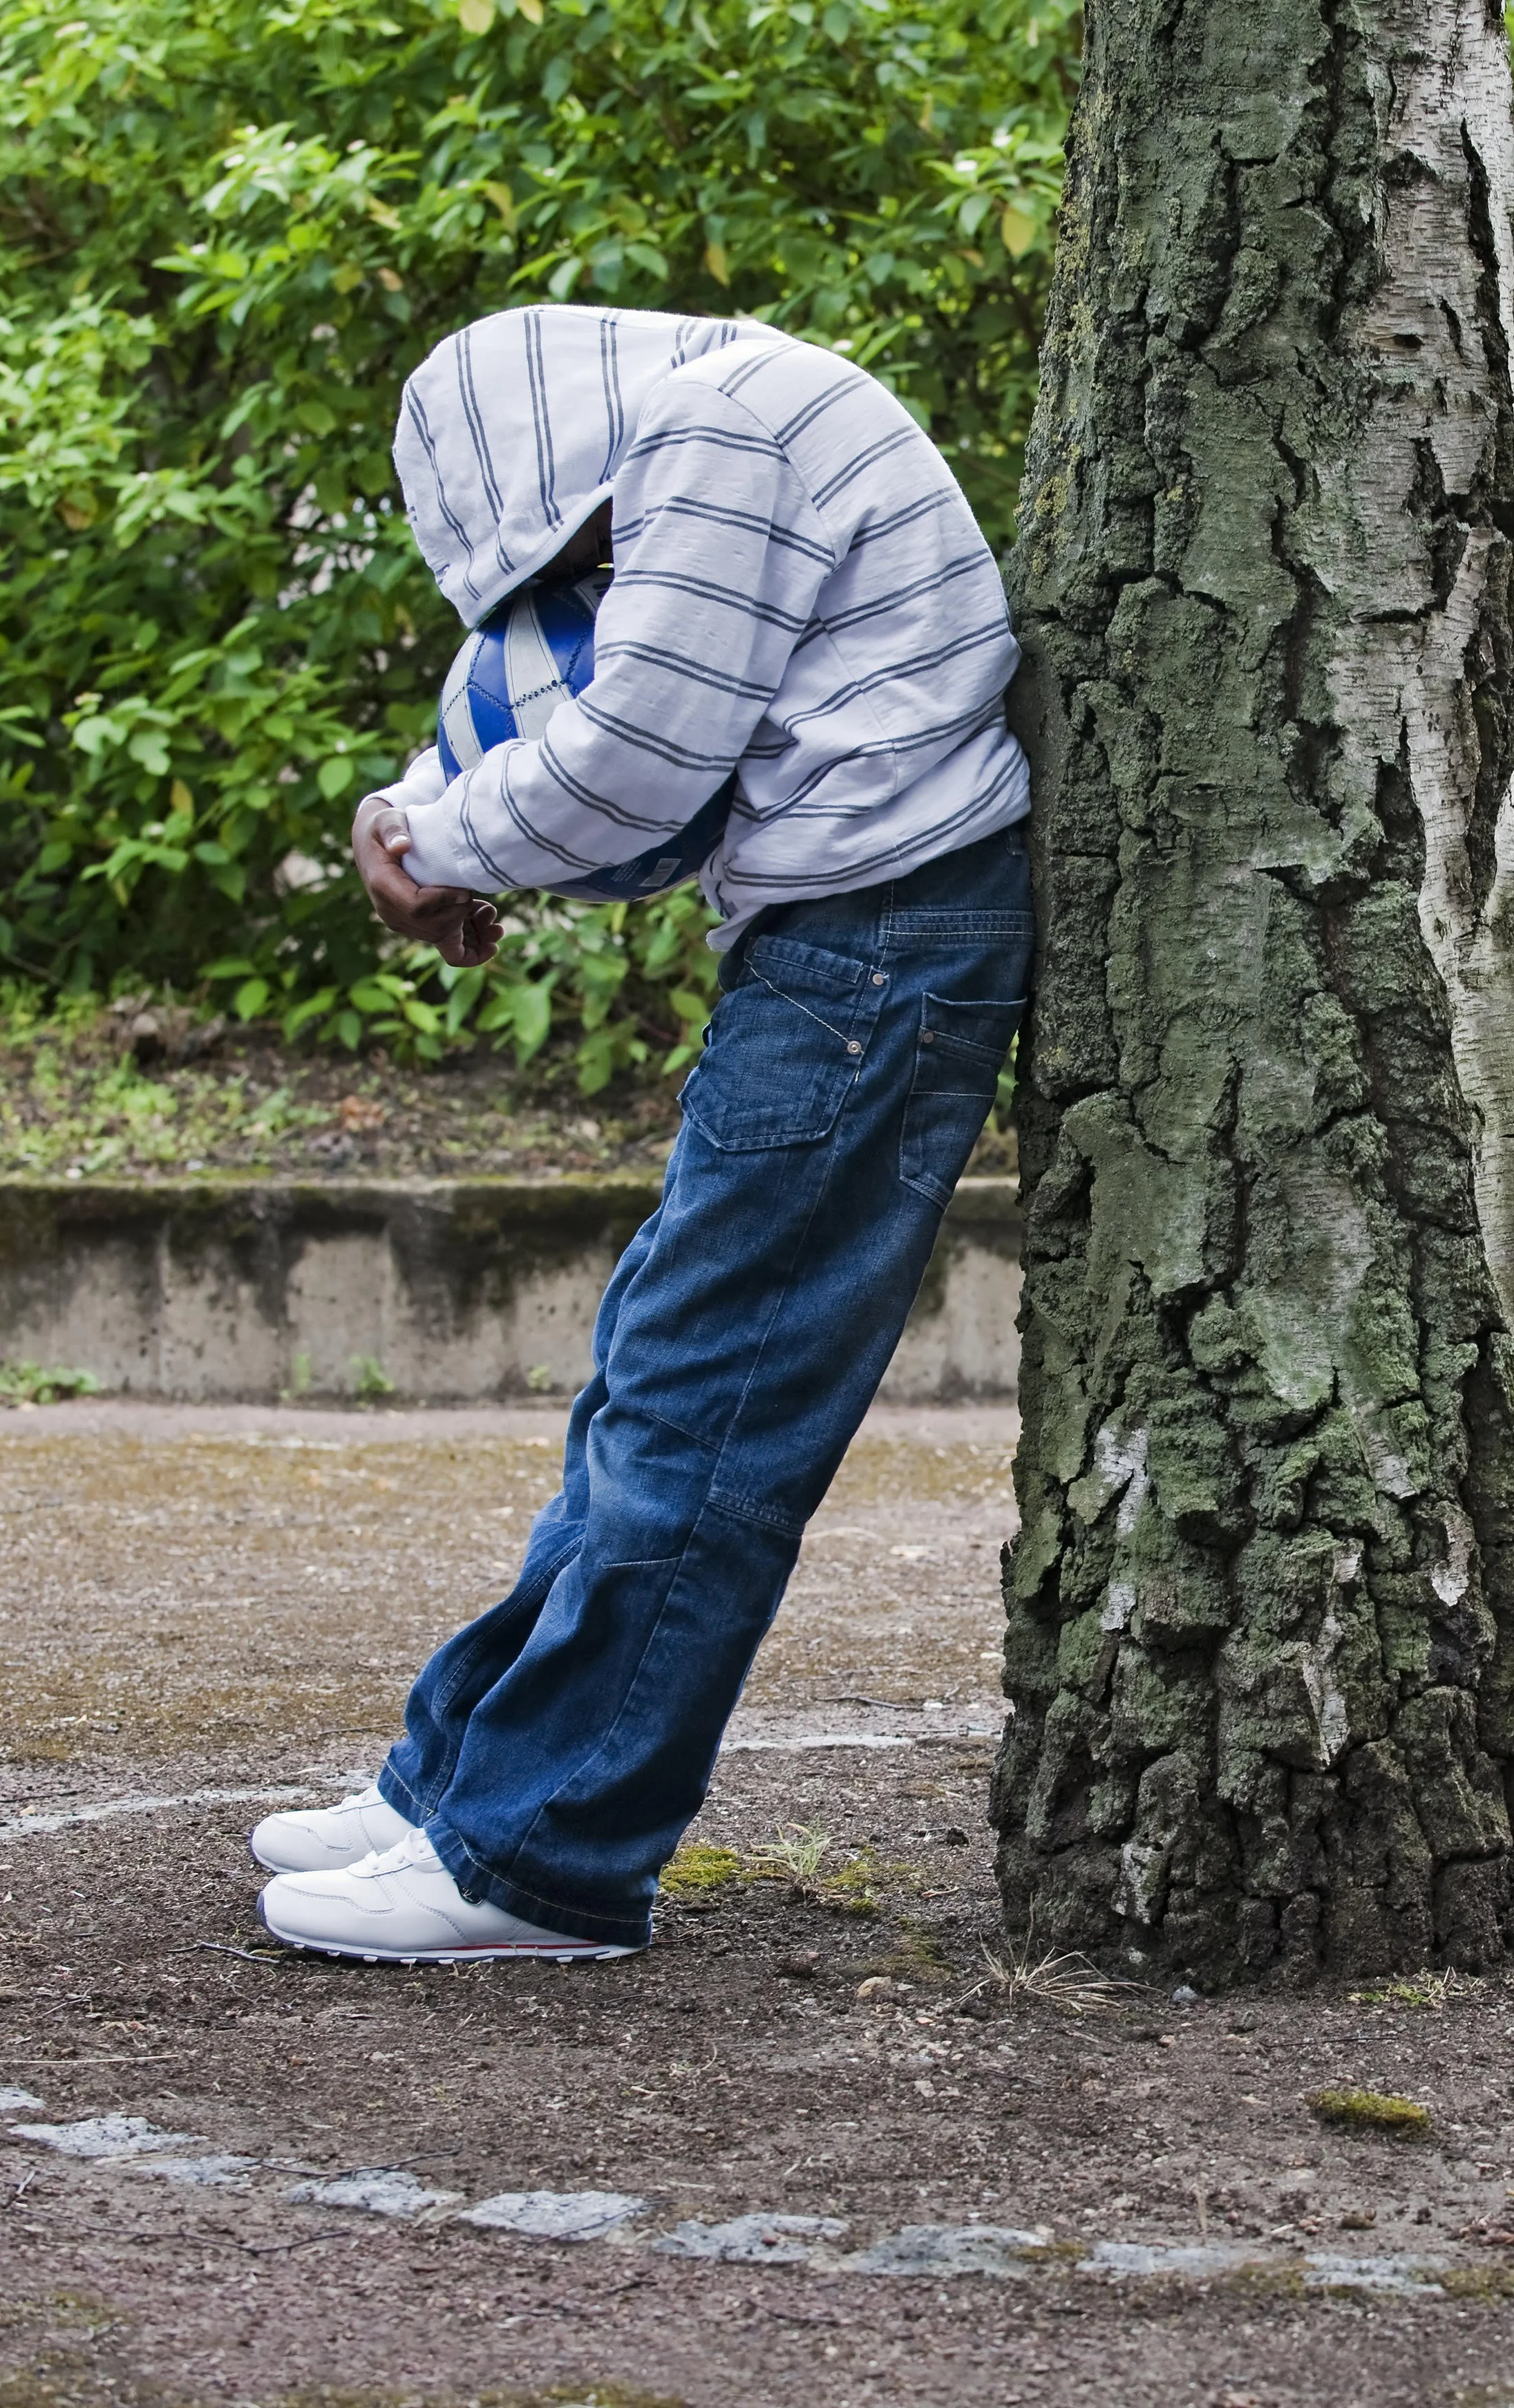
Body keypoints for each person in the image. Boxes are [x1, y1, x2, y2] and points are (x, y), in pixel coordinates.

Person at [245, 304, 1032, 1961]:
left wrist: (429, 834)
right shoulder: (731, 412)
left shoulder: (714, 432)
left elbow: (633, 756)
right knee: (651, 1383)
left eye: (565, 546)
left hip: (877, 940)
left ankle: (545, 1858)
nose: (583, 569)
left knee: (703, 1400)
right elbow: (584, 715)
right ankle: (457, 1778)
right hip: (853, 936)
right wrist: (437, 812)